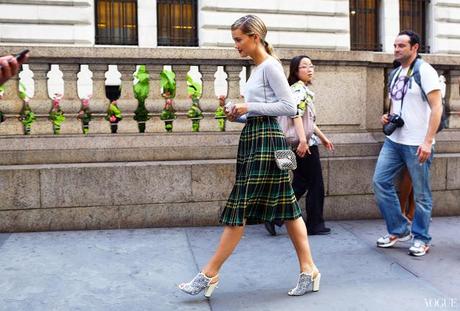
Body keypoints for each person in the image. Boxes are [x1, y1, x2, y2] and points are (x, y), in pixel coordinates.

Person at [178, 15, 320, 298]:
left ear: (255, 37)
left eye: (238, 40)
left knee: (241, 206)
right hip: (259, 138)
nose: (236, 46)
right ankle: (310, 271)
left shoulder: (270, 67)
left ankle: (209, 274)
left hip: (268, 142)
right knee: (288, 207)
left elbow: (289, 106)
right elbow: (261, 111)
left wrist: (248, 105)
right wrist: (239, 115)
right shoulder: (257, 69)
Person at [373, 30, 442, 257]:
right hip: (394, 141)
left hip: (417, 143)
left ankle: (421, 238)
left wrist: (428, 141)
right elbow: (396, 102)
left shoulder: (425, 71)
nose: (396, 49)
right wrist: (388, 116)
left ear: (415, 48)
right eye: (394, 45)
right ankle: (399, 230)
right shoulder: (395, 73)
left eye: (401, 45)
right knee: (380, 182)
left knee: (422, 194)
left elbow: (437, 108)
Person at [264, 55, 334, 236]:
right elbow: (295, 115)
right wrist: (304, 141)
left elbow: (307, 119)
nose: (310, 69)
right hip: (303, 145)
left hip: (286, 143)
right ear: (295, 71)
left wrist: (323, 137)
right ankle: (314, 224)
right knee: (316, 184)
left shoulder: (292, 90)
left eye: (311, 65)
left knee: (301, 182)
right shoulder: (299, 91)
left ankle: (275, 215)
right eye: (304, 67)